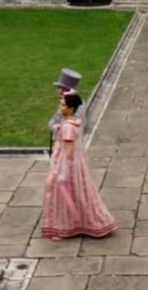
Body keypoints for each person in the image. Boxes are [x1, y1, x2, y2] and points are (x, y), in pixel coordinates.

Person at [42, 93, 118, 241]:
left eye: (63, 105)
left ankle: (64, 227)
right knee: (74, 194)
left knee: (61, 193)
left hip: (65, 165)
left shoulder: (69, 127)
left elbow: (69, 152)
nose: (60, 107)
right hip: (71, 164)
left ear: (71, 108)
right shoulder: (74, 121)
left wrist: (63, 172)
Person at [49, 68, 82, 152]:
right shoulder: (70, 103)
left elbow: (55, 124)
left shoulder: (70, 106)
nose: (57, 90)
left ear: (64, 90)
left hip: (67, 148)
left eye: (59, 88)